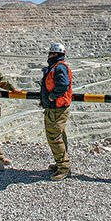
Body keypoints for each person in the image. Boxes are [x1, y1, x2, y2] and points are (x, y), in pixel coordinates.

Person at [40, 42, 73, 180]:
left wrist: (52, 97)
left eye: (50, 53)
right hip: (56, 108)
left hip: (56, 109)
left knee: (54, 137)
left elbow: (63, 84)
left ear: (55, 54)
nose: (49, 56)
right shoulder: (56, 67)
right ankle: (61, 162)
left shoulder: (59, 68)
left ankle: (63, 168)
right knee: (59, 136)